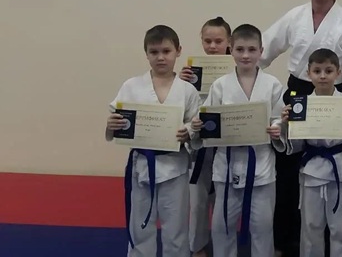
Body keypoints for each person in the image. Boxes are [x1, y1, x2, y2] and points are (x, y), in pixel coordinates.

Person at [260, 0, 342, 257]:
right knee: (287, 171)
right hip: (297, 92)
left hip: (334, 96)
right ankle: (287, 240)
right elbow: (263, 49)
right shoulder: (294, 16)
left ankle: (330, 240)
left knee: (328, 167)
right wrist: (239, 69)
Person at [105, 24, 201, 257]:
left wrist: (189, 132)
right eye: (154, 52)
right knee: (140, 227)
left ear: (178, 51)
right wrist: (111, 126)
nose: (160, 57)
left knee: (176, 229)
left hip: (175, 167)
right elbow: (118, 122)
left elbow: (195, 124)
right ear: (146, 53)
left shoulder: (187, 90)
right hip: (141, 166)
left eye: (166, 51)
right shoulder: (131, 86)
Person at [190, 24, 286, 257]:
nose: (245, 55)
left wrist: (277, 129)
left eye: (251, 49)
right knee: (222, 227)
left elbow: (279, 119)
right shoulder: (220, 85)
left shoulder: (273, 84)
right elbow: (208, 120)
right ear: (231, 50)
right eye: (240, 49)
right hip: (227, 166)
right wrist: (198, 126)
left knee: (262, 228)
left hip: (261, 166)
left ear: (261, 51)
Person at [280, 48, 342, 257]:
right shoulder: (301, 105)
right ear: (308, 73)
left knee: (341, 228)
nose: (323, 76)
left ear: (338, 73)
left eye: (328, 71)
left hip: (340, 169)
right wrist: (287, 125)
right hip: (311, 171)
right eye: (317, 71)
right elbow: (296, 145)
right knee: (311, 226)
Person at [179, 16, 232, 257]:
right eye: (207, 41)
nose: (212, 46)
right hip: (199, 146)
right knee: (198, 201)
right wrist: (181, 84)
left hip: (228, 145)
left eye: (218, 41)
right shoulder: (191, 73)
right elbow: (182, 109)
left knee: (226, 202)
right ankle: (197, 247)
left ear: (229, 42)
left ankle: (225, 247)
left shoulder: (241, 69)